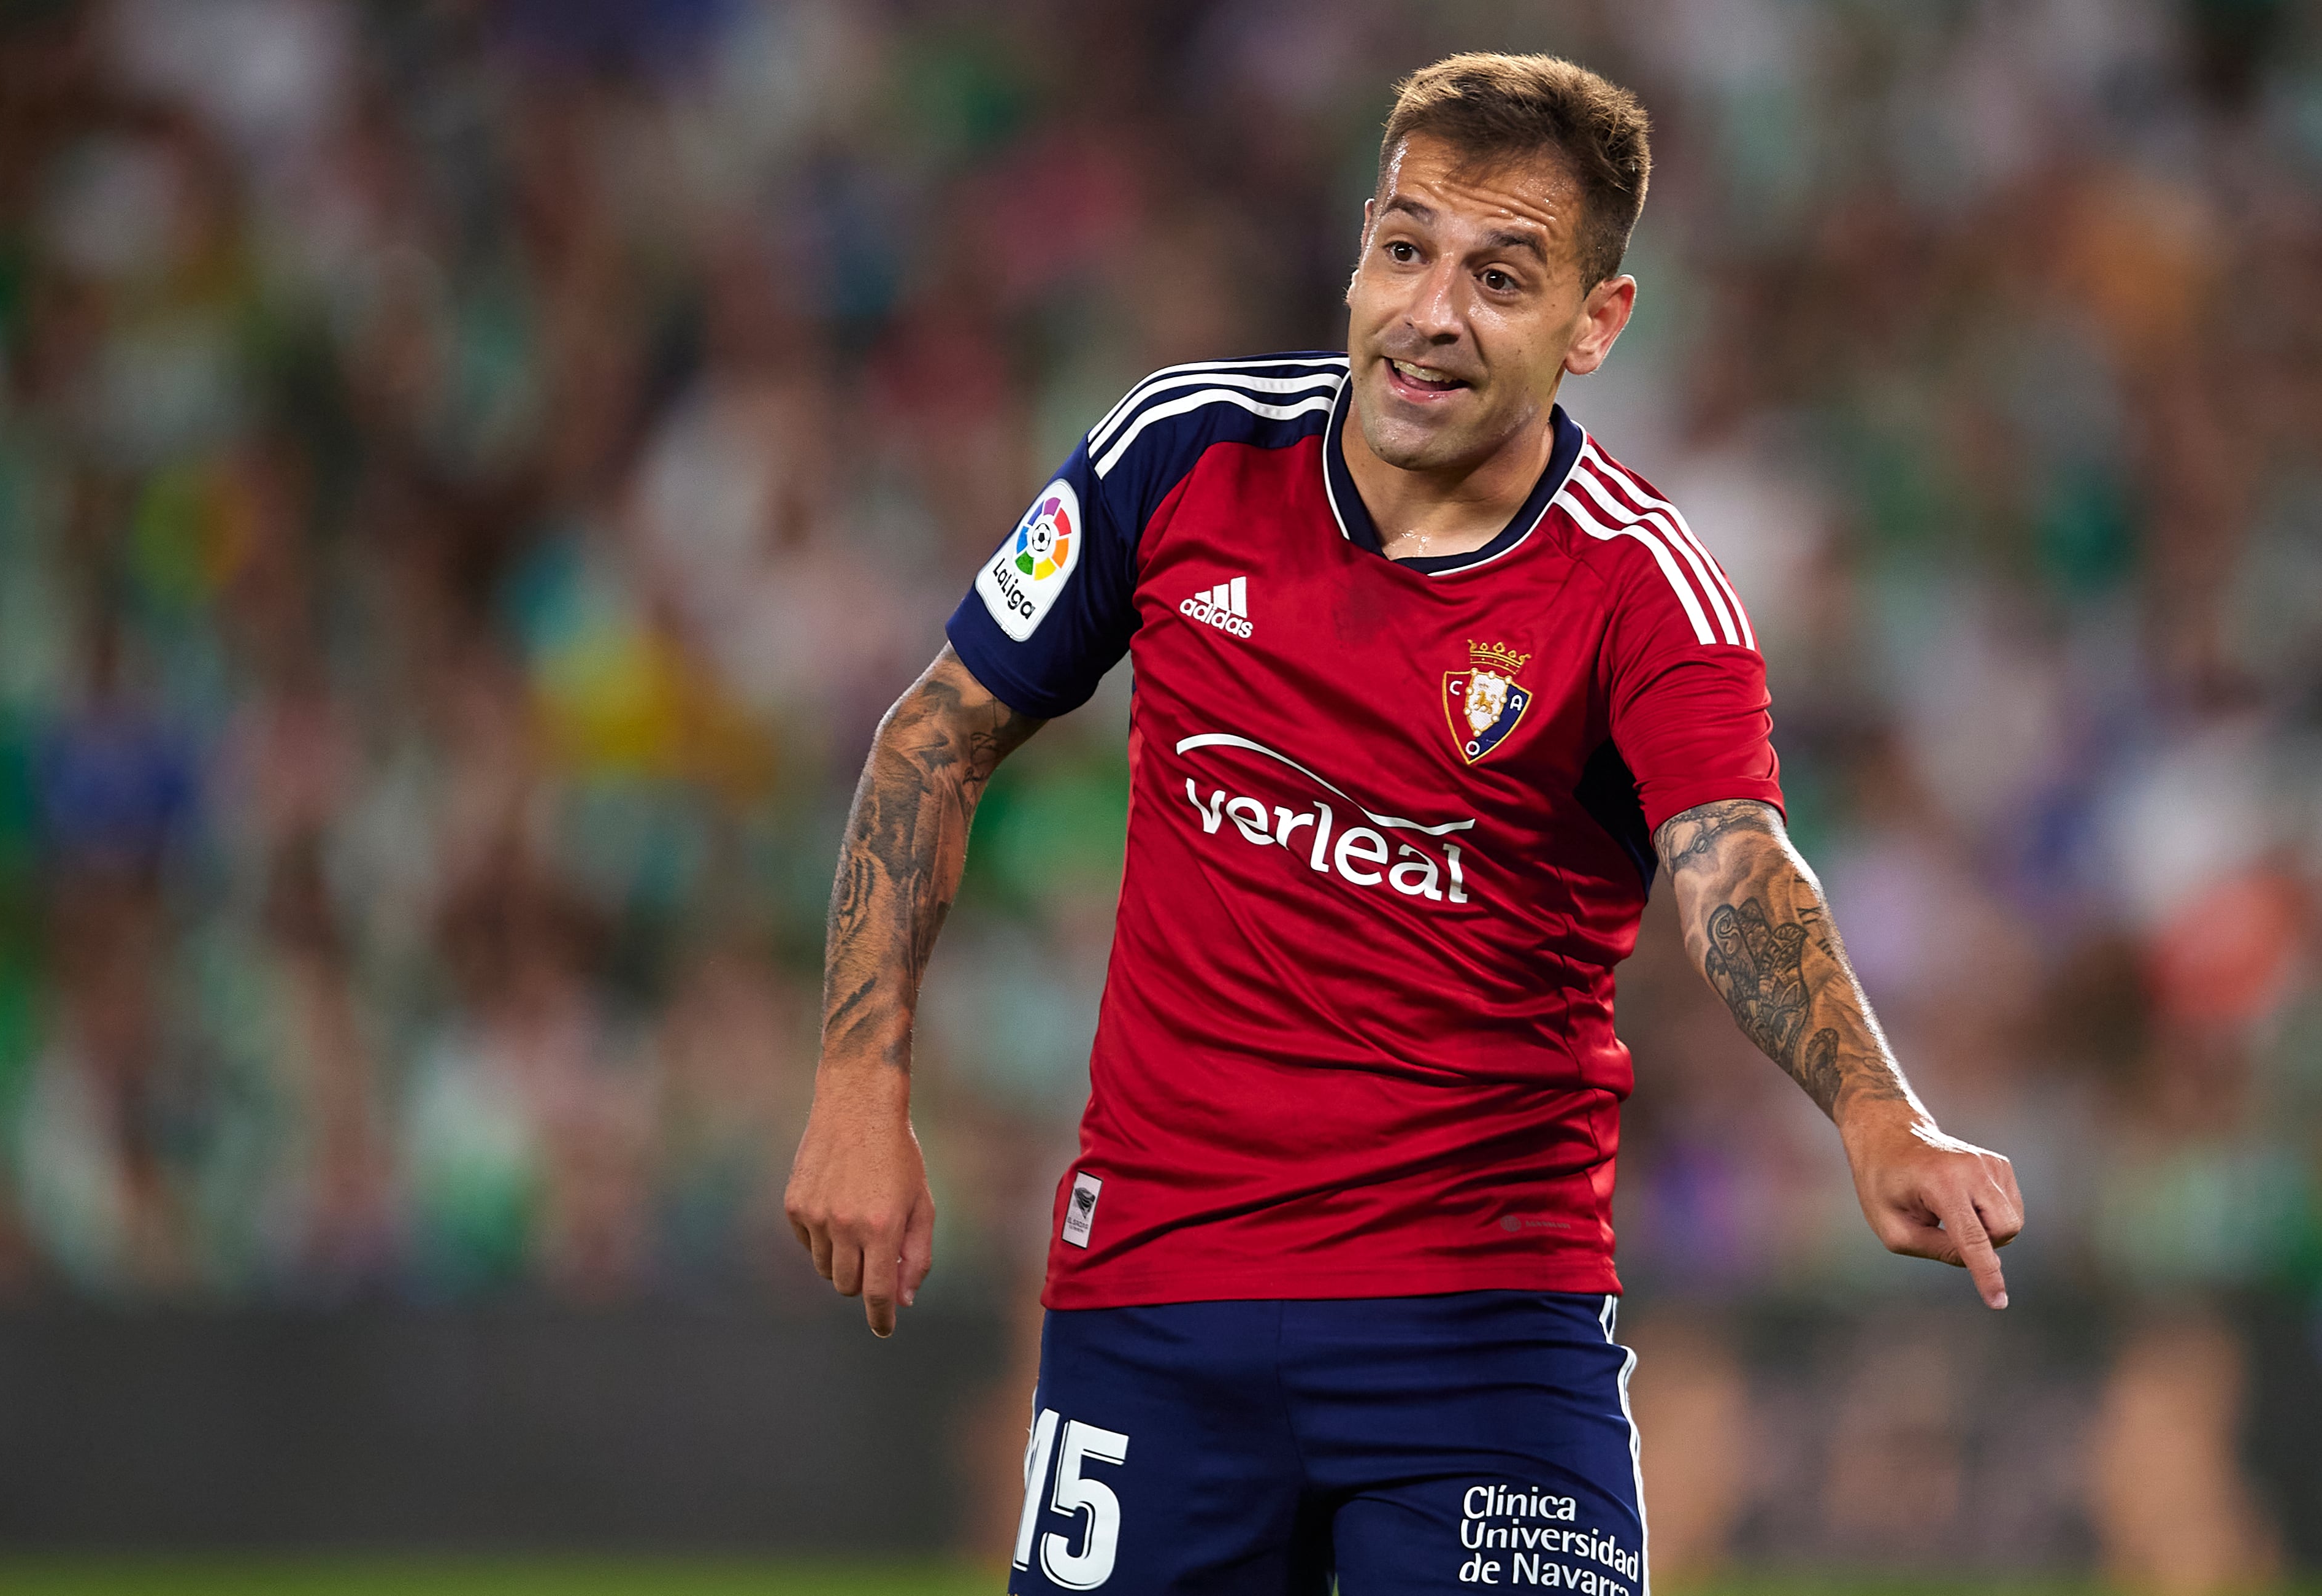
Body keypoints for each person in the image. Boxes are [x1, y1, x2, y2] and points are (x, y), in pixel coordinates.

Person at [786, 51, 2023, 1595]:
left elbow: (1733, 865)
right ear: (1359, 248)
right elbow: (931, 738)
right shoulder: (1181, 454)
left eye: (1500, 276)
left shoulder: (1641, 590)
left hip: (1480, 1343)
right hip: (1154, 1307)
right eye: (1404, 249)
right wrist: (854, 1082)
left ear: (1594, 324)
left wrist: (1870, 1108)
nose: (1431, 312)